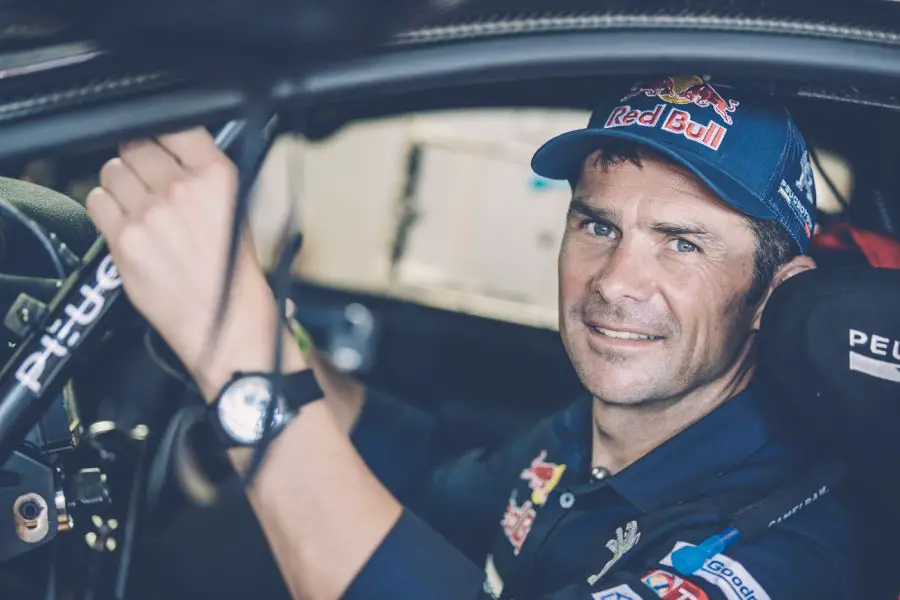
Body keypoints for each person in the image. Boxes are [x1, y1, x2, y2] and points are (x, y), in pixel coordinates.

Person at [85, 75, 856, 600]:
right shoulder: (604, 440)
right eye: (597, 224)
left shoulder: (777, 552)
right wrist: (267, 330)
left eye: (681, 242)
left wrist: (234, 347)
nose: (617, 281)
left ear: (771, 296)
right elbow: (431, 482)